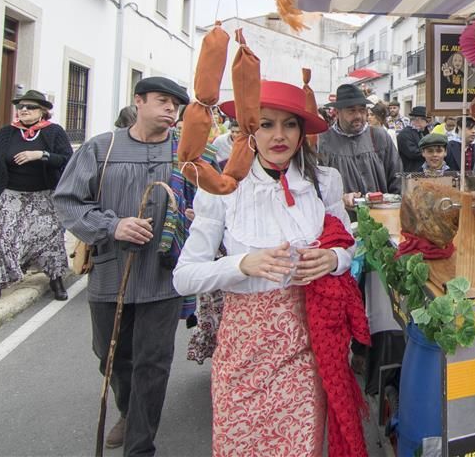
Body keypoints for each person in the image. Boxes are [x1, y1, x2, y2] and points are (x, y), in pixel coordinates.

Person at [173, 80, 368, 456]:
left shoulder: (324, 182)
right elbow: (184, 276)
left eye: (289, 124)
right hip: (243, 351)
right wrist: (243, 264)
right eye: (266, 124)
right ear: (248, 130)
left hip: (309, 344)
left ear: (301, 131)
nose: (279, 135)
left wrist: (333, 260)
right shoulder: (223, 190)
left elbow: (348, 248)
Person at [53, 76, 197, 455]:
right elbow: (68, 201)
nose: (170, 109)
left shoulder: (187, 152)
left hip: (164, 276)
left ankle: (140, 444)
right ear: (138, 101)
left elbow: (212, 203)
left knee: (154, 363)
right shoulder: (102, 147)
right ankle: (129, 411)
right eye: (162, 101)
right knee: (112, 356)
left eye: (176, 104)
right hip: (111, 272)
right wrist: (113, 225)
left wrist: (195, 216)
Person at [0, 90, 73, 301]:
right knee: (1, 238)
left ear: (42, 112)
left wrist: (42, 155)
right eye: (21, 106)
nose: (24, 110)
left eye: (30, 107)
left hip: (43, 196)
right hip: (10, 195)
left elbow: (68, 159)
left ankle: (56, 279)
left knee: (49, 238)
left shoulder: (53, 132)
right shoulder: (7, 133)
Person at [317, 84, 401, 211]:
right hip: (342, 222)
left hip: (380, 218)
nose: (358, 116)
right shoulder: (324, 143)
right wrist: (339, 199)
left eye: (362, 110)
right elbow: (319, 188)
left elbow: (397, 178)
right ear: (337, 112)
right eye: (351, 110)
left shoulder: (379, 137)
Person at [397, 106, 430, 173]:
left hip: (421, 171)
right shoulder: (405, 134)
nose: (428, 124)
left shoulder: (420, 131)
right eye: (427, 121)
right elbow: (413, 153)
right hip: (411, 172)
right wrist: (430, 152)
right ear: (418, 120)